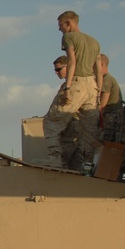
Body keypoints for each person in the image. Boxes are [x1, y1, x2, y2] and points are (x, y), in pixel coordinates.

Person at [43, 11, 101, 169]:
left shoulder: (69, 37)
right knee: (89, 131)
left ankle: (54, 161)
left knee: (51, 121)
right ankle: (90, 165)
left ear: (69, 23)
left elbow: (72, 62)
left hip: (77, 82)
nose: (59, 29)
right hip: (92, 86)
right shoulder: (94, 41)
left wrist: (67, 87)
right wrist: (98, 91)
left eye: (60, 25)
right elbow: (98, 69)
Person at [47, 56, 83, 170]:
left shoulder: (73, 85)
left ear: (68, 67)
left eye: (58, 69)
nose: (56, 73)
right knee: (74, 165)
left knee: (62, 162)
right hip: (72, 129)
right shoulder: (68, 85)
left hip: (71, 128)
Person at [98, 54, 124, 143]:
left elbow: (102, 104)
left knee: (105, 142)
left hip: (110, 117)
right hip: (112, 116)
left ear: (101, 64)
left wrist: (99, 116)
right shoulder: (108, 78)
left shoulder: (106, 80)